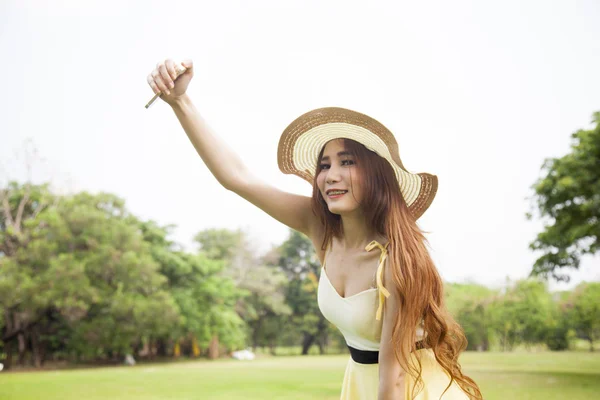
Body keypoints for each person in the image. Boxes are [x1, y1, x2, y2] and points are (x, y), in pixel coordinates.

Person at [146, 59, 483, 400]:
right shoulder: (321, 228)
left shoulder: (399, 259)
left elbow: (393, 378)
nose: (330, 175)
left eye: (347, 162)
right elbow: (238, 178)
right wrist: (180, 102)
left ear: (377, 175)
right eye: (325, 165)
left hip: (414, 390)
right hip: (362, 383)